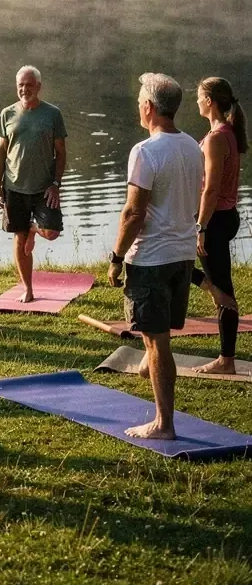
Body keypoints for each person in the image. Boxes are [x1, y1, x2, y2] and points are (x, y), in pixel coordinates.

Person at [107, 73, 203, 440]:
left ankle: (164, 424)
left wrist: (116, 256)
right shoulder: (193, 146)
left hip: (151, 258)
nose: (137, 106)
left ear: (149, 106)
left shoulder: (145, 151)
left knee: (157, 341)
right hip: (182, 255)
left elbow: (134, 213)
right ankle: (152, 364)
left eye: (138, 100)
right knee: (157, 339)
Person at [0, 66, 67, 302]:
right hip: (14, 187)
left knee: (52, 232)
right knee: (19, 237)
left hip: (44, 187)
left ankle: (34, 228)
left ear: (38, 86)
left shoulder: (52, 114)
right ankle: (28, 288)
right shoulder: (7, 114)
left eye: (29, 85)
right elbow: (0, 152)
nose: (24, 89)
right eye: (20, 85)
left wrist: (56, 183)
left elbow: (61, 153)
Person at [189, 76, 247, 375]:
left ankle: (226, 360)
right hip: (226, 216)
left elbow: (211, 190)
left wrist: (200, 226)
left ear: (209, 101)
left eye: (199, 96)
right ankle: (208, 285)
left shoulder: (215, 138)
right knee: (180, 260)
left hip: (215, 220)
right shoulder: (227, 132)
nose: (196, 101)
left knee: (223, 291)